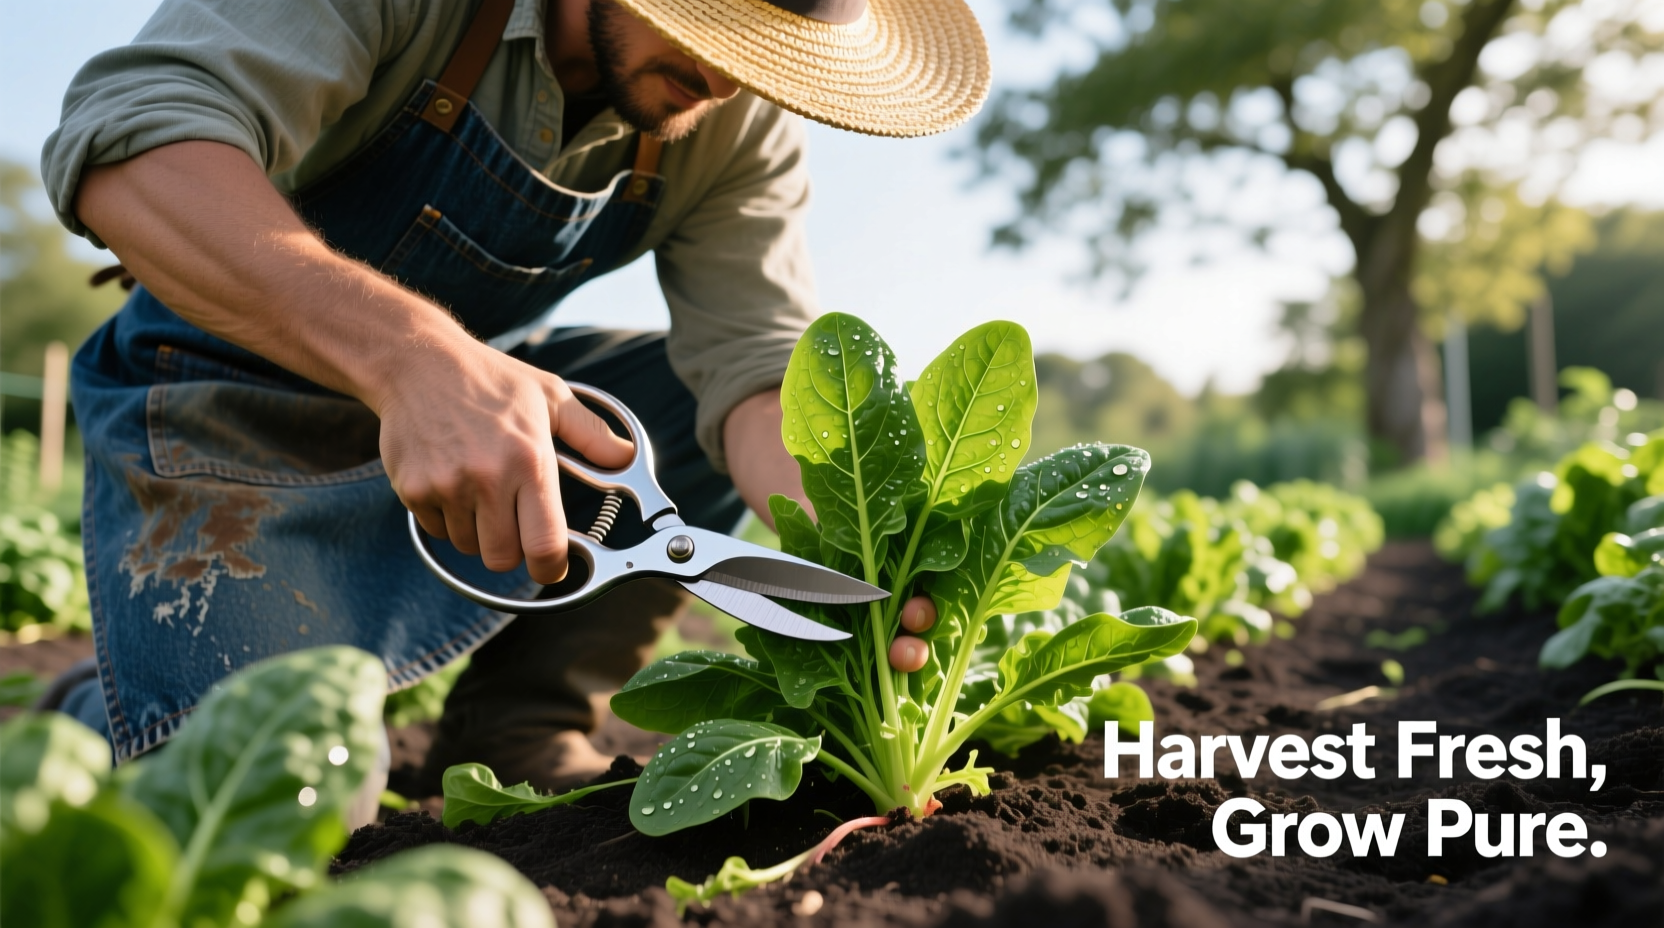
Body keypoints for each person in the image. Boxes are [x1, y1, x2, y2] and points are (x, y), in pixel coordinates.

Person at [40, 0, 988, 791]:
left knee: (673, 397)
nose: (734, 77)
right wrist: (412, 359)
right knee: (282, 797)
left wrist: (861, 535)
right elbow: (135, 141)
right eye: (723, 19)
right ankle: (98, 715)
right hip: (216, 409)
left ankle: (519, 724)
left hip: (458, 429)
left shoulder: (728, 124)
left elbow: (753, 360)